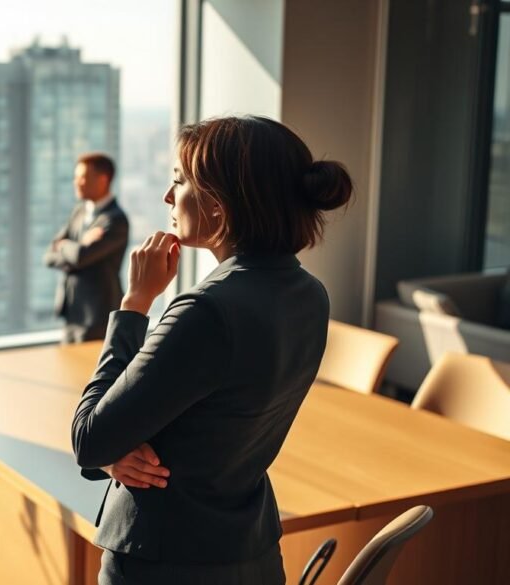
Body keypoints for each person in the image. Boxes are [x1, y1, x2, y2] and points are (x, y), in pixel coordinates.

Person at [72, 116, 353, 584]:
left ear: (220, 208)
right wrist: (113, 449)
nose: (168, 197)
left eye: (179, 182)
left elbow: (89, 437)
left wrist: (134, 305)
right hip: (250, 554)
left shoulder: (207, 311)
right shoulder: (310, 295)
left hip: (165, 562)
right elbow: (217, 425)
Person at [44, 152, 130, 343]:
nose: (76, 183)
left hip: (97, 315)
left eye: (82, 177)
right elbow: (49, 256)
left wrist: (65, 245)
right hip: (71, 312)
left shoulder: (115, 220)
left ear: (103, 179)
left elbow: (81, 257)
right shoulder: (79, 212)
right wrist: (79, 245)